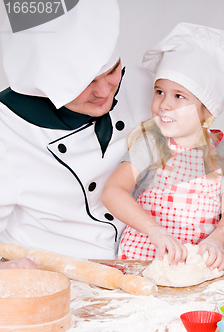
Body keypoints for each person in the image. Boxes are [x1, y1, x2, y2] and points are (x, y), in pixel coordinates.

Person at [0, 0, 153, 259]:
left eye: (111, 71)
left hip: (148, 261)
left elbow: (199, 158)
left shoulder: (145, 87)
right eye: (85, 83)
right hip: (62, 278)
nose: (104, 92)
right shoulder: (7, 129)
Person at [101, 23, 224, 270]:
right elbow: (112, 192)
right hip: (144, 261)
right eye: (160, 91)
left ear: (206, 109)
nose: (164, 105)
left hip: (198, 264)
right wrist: (157, 232)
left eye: (179, 96)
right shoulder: (151, 142)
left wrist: (215, 242)